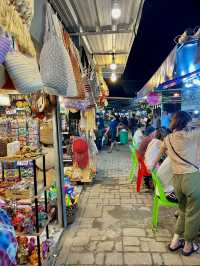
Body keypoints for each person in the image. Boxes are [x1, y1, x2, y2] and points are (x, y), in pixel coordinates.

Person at [153, 111, 200, 256]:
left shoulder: (167, 138)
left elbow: (157, 157)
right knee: (193, 213)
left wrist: (152, 167)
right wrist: (189, 123)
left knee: (183, 210)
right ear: (186, 122)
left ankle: (174, 242)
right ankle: (187, 246)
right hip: (191, 178)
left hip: (177, 181)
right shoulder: (192, 135)